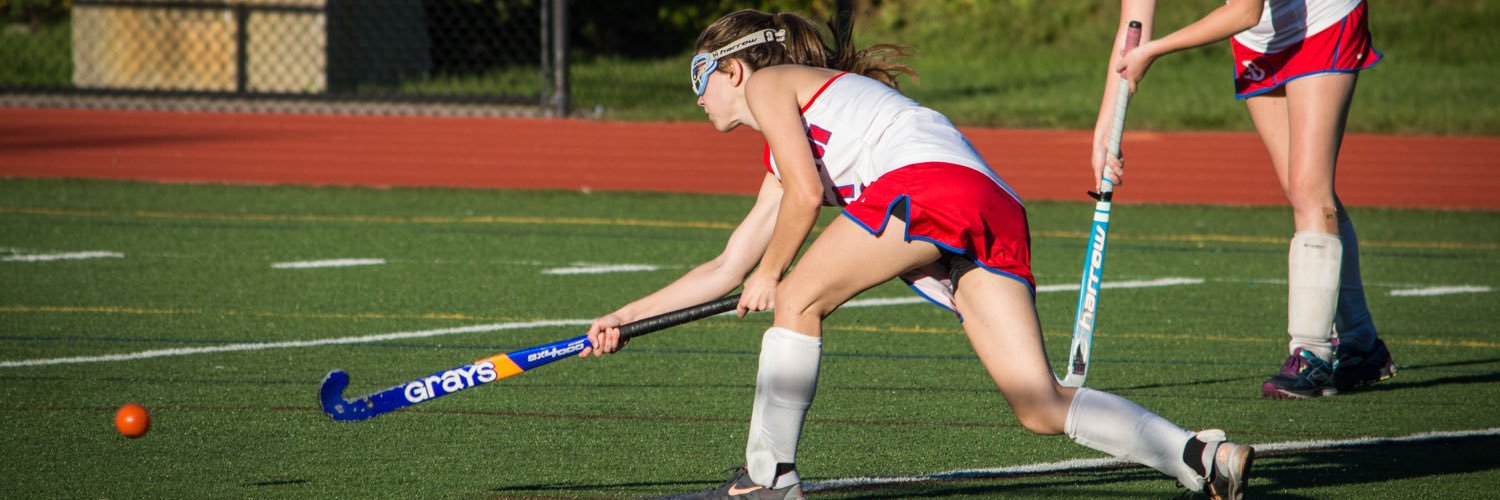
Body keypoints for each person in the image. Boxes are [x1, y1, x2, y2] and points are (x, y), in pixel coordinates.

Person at [579, 9, 1252, 500]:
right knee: (1040, 404)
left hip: (930, 190)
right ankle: (1199, 457)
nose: (697, 96)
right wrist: (624, 318)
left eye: (700, 76)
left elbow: (806, 198)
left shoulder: (768, 83)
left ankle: (767, 478)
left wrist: (773, 274)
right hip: (990, 205)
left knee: (798, 298)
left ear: (732, 68)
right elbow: (728, 264)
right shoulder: (794, 136)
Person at [1092, 0, 1396, 400]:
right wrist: (1104, 131)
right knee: (1301, 189)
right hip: (1260, 40)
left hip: (1323, 19)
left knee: (1309, 186)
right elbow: (1133, 28)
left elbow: (1243, 11)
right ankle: (1361, 344)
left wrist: (1155, 50)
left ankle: (1312, 352)